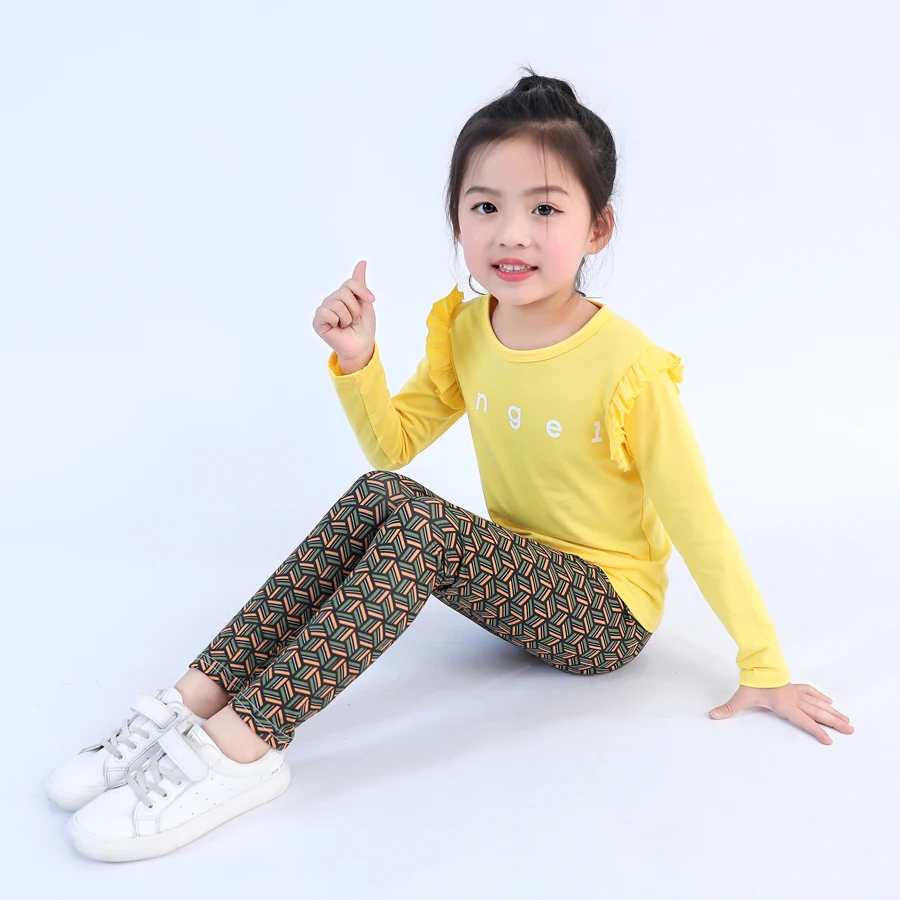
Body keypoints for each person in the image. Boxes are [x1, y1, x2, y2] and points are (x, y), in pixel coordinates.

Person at [47, 67, 853, 863]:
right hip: (516, 579)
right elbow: (392, 449)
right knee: (382, 493)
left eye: (545, 208)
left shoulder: (629, 370)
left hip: (604, 617)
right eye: (485, 207)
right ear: (458, 220)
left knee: (422, 528)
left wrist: (765, 667)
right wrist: (359, 359)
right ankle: (192, 701)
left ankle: (244, 745)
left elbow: (698, 522)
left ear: (598, 228)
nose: (512, 233)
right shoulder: (469, 329)